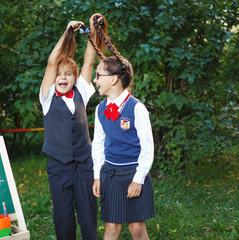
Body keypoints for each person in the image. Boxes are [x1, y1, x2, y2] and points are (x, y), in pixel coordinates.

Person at [39, 14, 106, 240]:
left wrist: (92, 30)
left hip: (84, 163)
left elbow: (89, 61)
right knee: (63, 218)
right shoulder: (47, 98)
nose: (63, 78)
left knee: (88, 215)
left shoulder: (81, 93)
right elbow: (52, 61)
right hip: (58, 165)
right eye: (59, 75)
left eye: (68, 74)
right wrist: (67, 32)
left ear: (75, 79)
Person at [90, 20, 155, 240]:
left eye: (99, 75)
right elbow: (98, 143)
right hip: (110, 174)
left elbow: (147, 148)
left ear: (114, 79)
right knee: (111, 228)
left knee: (136, 229)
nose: (95, 79)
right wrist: (98, 175)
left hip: (133, 174)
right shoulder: (100, 109)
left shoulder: (136, 109)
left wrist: (138, 179)